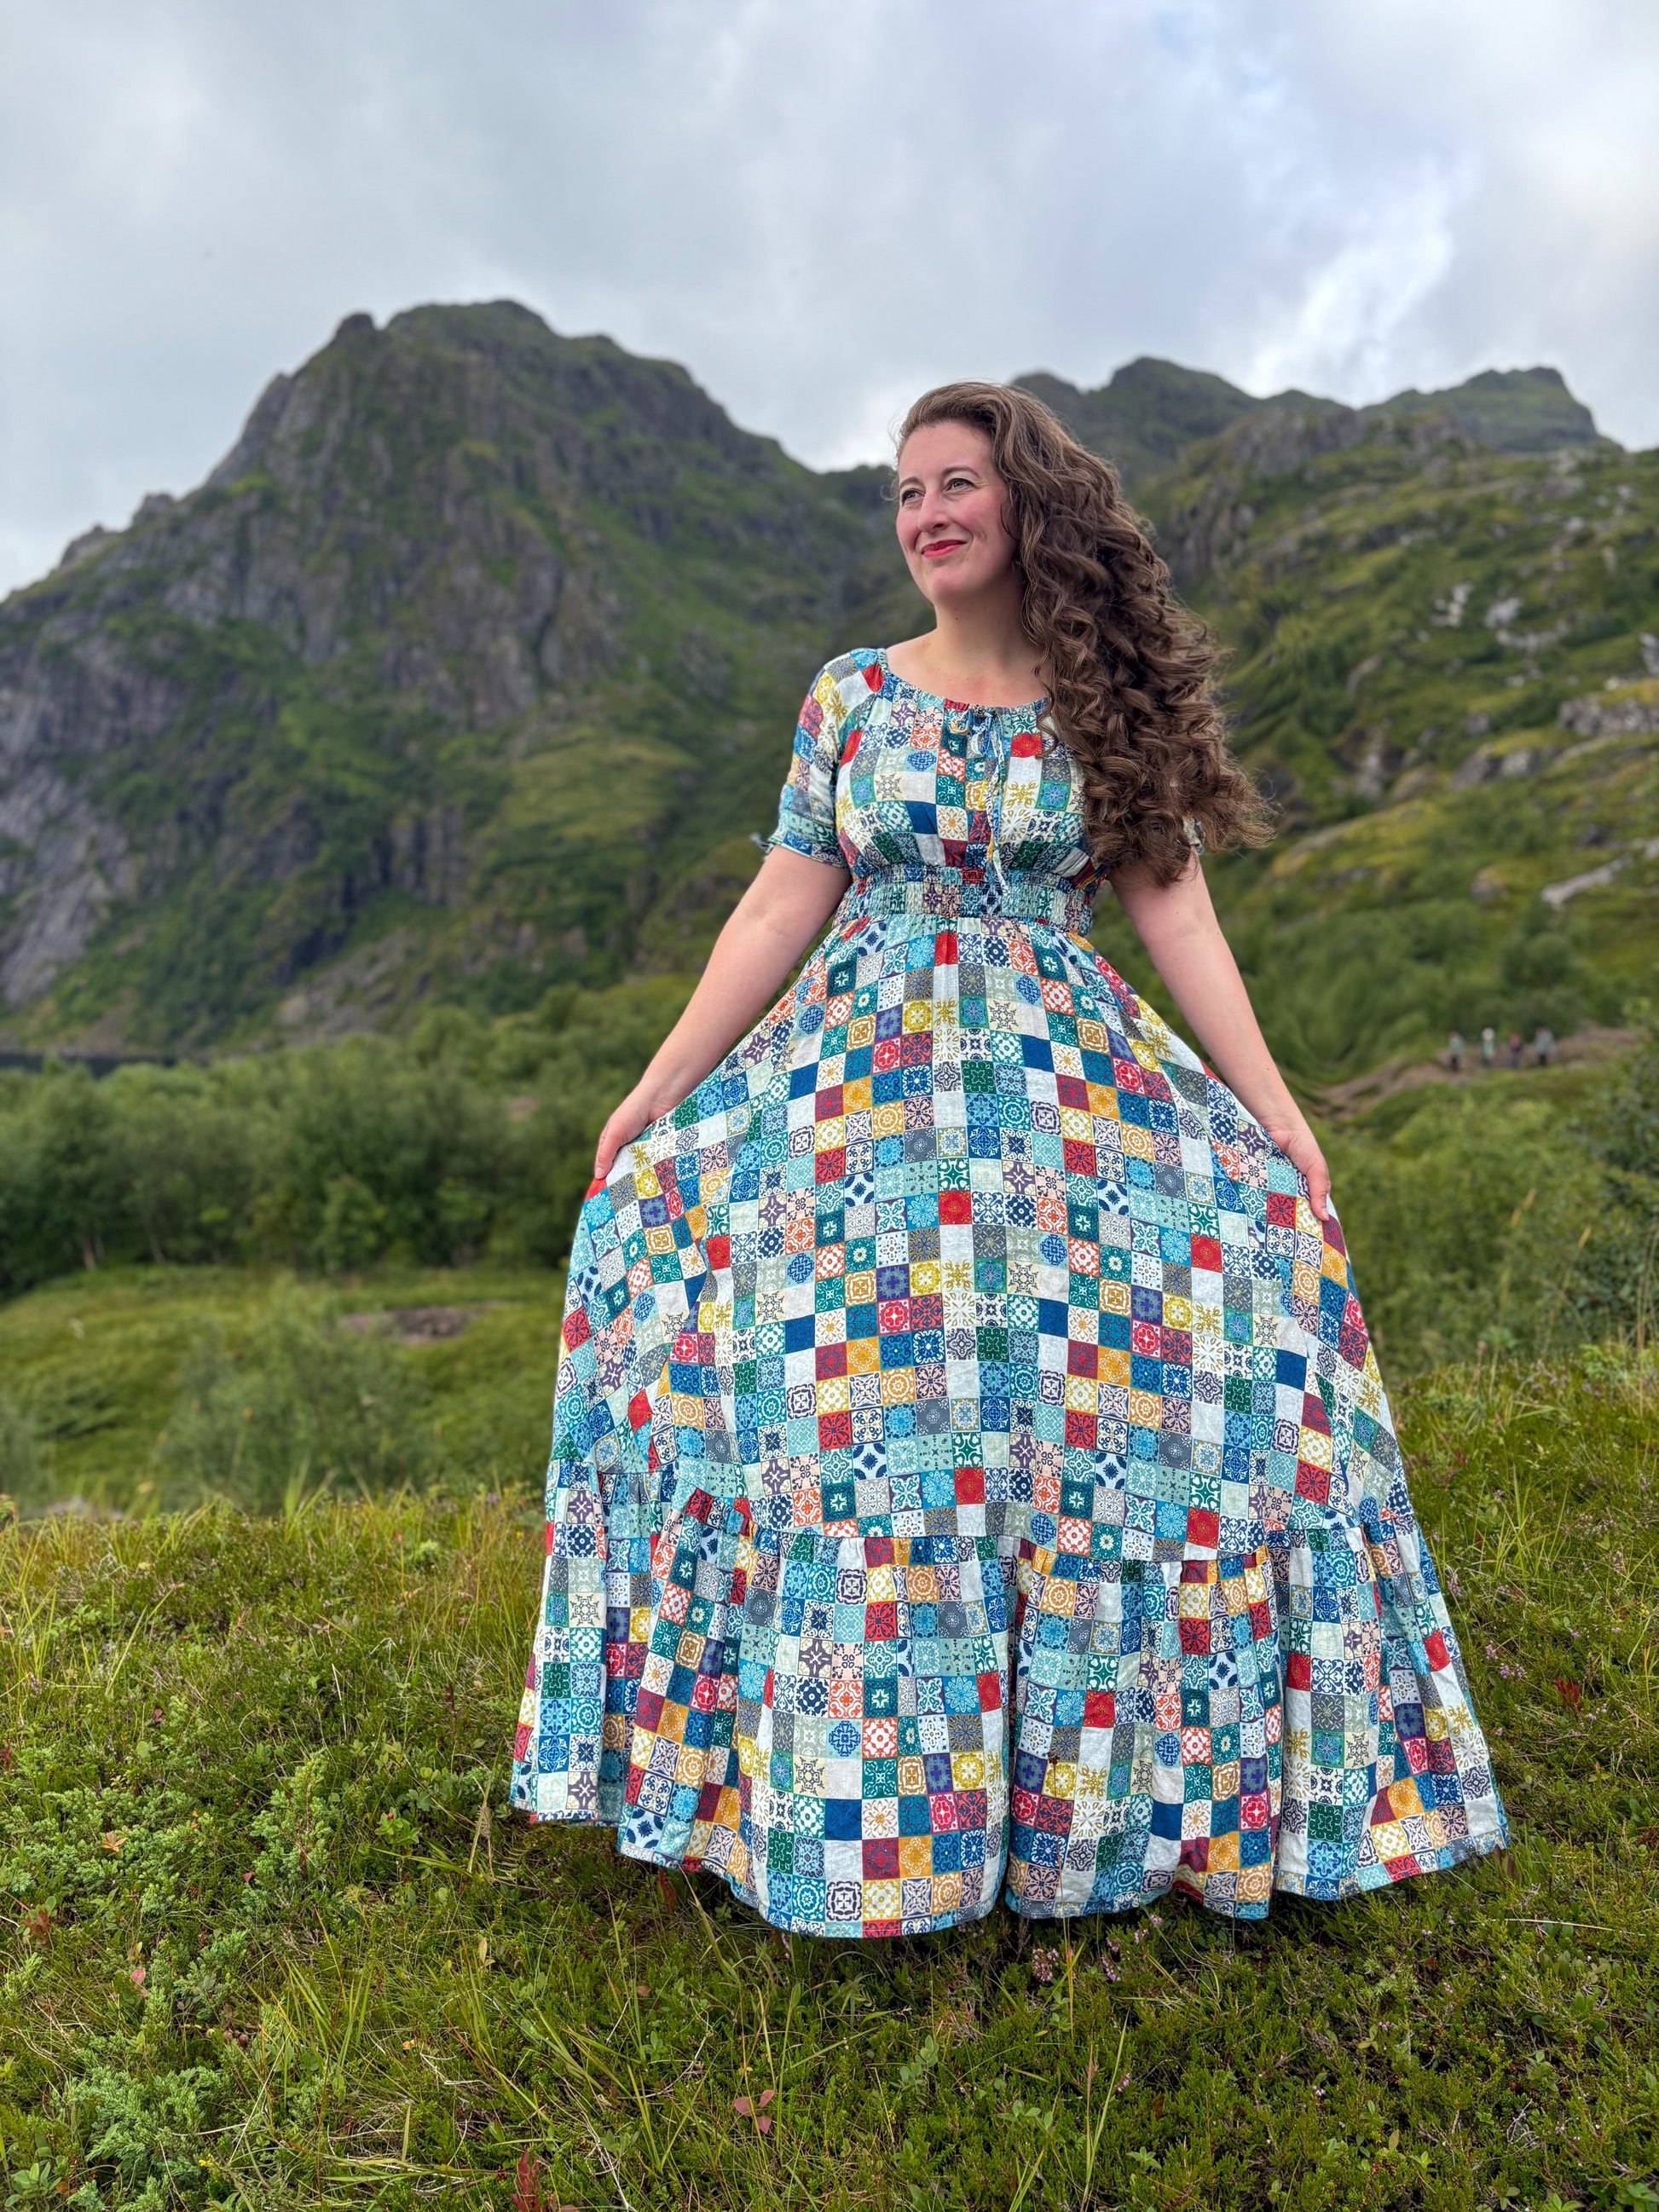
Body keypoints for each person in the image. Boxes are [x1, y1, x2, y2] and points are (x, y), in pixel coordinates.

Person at [509, 381, 1506, 1935]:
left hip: (1059, 1102)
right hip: (857, 1102)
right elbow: (778, 904)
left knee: (1093, 1434)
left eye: (956, 483)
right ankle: (834, 1816)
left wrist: (1281, 1117)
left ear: (1025, 502)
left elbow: (1174, 909)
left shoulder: (1093, 698)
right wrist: (655, 1090)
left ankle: (1090, 1819)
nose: (925, 515)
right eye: (905, 493)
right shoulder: (847, 696)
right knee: (862, 1433)